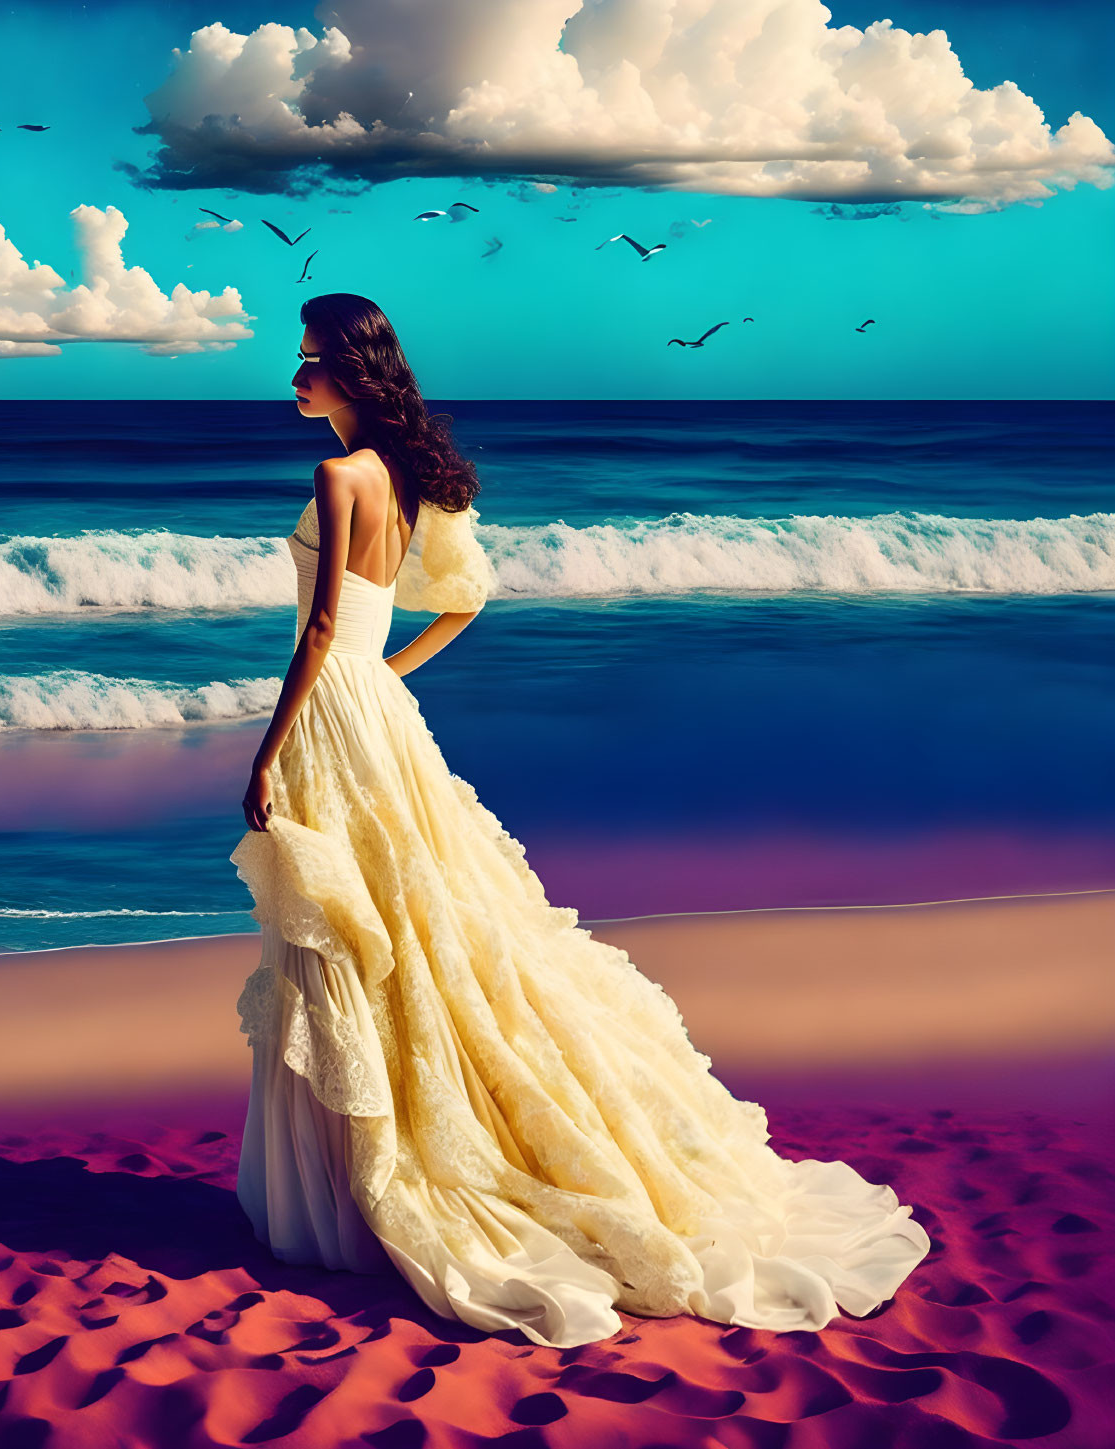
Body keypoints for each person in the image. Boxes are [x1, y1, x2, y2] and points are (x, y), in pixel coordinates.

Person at [231, 293, 930, 1349]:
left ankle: (350, 1199)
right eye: (301, 360)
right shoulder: (409, 478)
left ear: (354, 373)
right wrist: (388, 682)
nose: (297, 378)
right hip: (373, 709)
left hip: (336, 715)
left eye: (312, 361)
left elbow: (325, 624)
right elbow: (461, 600)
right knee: (413, 928)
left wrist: (269, 748)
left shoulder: (339, 475)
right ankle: (346, 1182)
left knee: (358, 930)